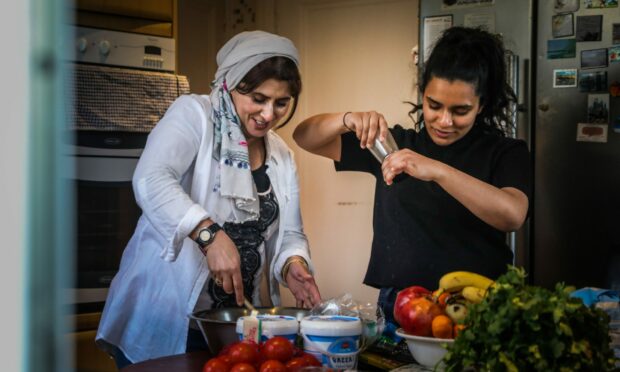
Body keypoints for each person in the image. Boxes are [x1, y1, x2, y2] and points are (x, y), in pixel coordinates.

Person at [96, 30, 322, 367]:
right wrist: (208, 233)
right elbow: (151, 178)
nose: (269, 114)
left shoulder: (282, 156)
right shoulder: (195, 115)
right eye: (258, 98)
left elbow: (290, 233)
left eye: (281, 102)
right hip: (169, 315)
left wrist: (294, 265)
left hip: (235, 325)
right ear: (231, 85)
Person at [292, 26, 530, 327]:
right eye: (434, 105)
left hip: (479, 305)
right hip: (400, 306)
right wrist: (347, 119)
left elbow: (512, 214)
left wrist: (438, 171)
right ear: (423, 94)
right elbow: (304, 136)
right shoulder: (391, 145)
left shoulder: (506, 152)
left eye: (461, 110)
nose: (444, 121)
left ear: (481, 105)